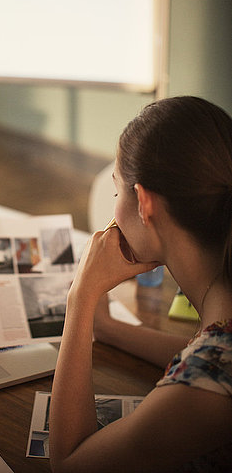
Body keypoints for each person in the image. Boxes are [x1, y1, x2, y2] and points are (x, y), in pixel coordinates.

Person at [49, 96, 232, 473]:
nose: (114, 206)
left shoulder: (201, 392)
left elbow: (69, 464)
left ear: (145, 203)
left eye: (118, 192)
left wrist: (81, 298)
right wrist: (108, 328)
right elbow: (207, 349)